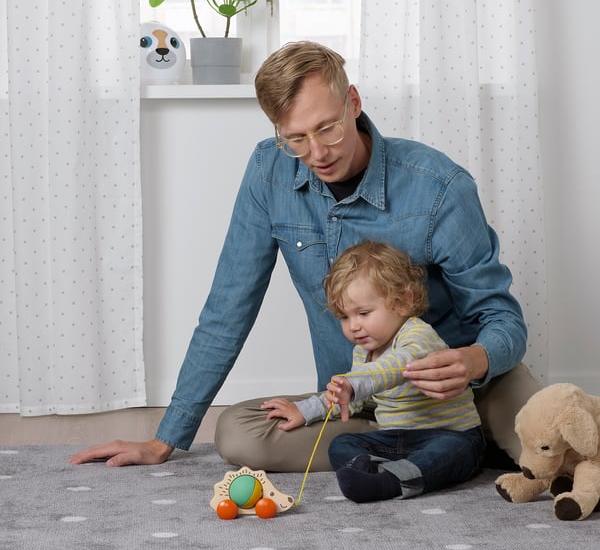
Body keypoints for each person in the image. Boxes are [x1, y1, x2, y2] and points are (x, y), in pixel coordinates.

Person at [69, 41, 540, 470]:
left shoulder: (439, 187)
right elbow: (228, 308)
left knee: (559, 438)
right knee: (237, 434)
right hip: (358, 405)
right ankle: (435, 448)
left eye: (328, 129)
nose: (316, 153)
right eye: (295, 138)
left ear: (353, 103)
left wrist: (475, 362)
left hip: (468, 387)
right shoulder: (268, 172)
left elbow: (502, 319)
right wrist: (165, 439)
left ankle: (465, 436)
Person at [264, 240, 485, 503]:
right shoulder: (362, 352)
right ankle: (377, 470)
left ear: (403, 302)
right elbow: (350, 399)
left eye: (364, 313)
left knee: (454, 452)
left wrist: (353, 384)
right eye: (345, 317)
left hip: (448, 433)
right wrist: (305, 409)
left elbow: (397, 366)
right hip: (394, 440)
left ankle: (389, 483)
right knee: (342, 444)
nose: (353, 326)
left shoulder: (418, 335)